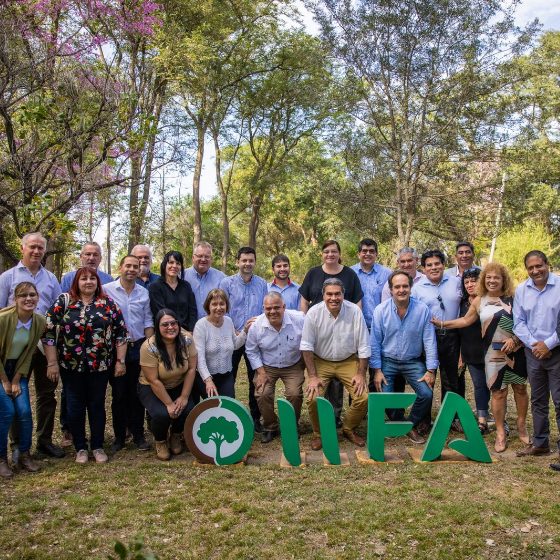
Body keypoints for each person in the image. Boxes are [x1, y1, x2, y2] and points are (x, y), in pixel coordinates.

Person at [438, 263, 529, 452]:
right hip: (492, 354)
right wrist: (442, 323)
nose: (492, 281)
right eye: (488, 278)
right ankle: (500, 432)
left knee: (520, 389)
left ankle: (521, 426)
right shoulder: (479, 300)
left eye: (496, 277)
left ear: (504, 279)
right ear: (484, 280)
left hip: (516, 350)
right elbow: (465, 320)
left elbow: (526, 322)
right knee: (498, 392)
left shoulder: (514, 298)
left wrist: (515, 340)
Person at [42, 268, 128, 464]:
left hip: (100, 366)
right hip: (71, 366)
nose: (88, 282)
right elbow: (47, 333)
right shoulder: (64, 301)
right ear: (77, 282)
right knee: (74, 406)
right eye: (84, 279)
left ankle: (97, 446)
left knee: (97, 405)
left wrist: (120, 362)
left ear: (97, 282)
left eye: (92, 278)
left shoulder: (107, 303)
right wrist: (52, 363)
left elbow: (121, 333)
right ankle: (80, 447)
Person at [0, 232, 63, 458]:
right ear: (23, 248)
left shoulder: (51, 278)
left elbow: (57, 310)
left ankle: (44, 441)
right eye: (32, 247)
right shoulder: (8, 277)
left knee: (47, 394)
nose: (36, 251)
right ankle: (18, 445)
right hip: (16, 346)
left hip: (45, 344)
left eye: (40, 248)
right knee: (15, 397)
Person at [300, 278, 370, 451]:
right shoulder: (313, 312)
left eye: (337, 294)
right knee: (313, 397)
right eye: (329, 294)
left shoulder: (354, 311)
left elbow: (364, 345)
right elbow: (306, 346)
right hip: (321, 360)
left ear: (343, 294)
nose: (333, 298)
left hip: (348, 360)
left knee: (363, 397)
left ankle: (348, 428)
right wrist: (313, 376)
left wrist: (361, 374)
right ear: (323, 295)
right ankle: (320, 434)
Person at [299, 240, 363, 427]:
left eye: (334, 251)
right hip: (321, 337)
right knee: (317, 393)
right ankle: (321, 430)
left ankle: (341, 423)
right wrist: (306, 321)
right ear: (322, 253)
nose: (330, 254)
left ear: (339, 253)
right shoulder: (313, 273)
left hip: (344, 335)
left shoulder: (349, 274)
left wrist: (355, 321)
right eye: (326, 251)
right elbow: (304, 299)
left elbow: (357, 302)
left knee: (341, 389)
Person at [371, 271, 437, 444]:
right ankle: (398, 423)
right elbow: (375, 342)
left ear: (411, 287)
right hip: (388, 361)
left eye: (405, 286)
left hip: (413, 361)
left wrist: (431, 369)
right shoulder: (380, 311)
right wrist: (376, 370)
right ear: (391, 289)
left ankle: (408, 425)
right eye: (397, 287)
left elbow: (429, 341)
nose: (401, 290)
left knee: (426, 394)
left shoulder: (422, 310)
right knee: (385, 395)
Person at [59, 241, 114, 448]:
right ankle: (70, 433)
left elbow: (114, 321)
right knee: (72, 398)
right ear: (81, 256)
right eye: (87, 254)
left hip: (99, 359)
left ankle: (97, 443)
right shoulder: (67, 279)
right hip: (71, 358)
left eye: (96, 254)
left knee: (96, 401)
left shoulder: (107, 281)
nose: (91, 258)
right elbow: (59, 316)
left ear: (100, 257)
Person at [104, 255, 154, 453]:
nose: (132, 269)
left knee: (138, 393)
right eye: (128, 266)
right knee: (119, 394)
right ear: (120, 267)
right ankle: (119, 437)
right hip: (116, 349)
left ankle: (139, 435)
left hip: (139, 347)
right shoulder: (107, 291)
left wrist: (150, 348)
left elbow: (148, 321)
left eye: (136, 266)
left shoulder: (143, 293)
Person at [514, 250, 560, 458]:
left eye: (539, 266)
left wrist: (548, 344)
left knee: (559, 400)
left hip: (557, 351)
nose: (535, 271)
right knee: (538, 400)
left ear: (547, 264)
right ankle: (540, 443)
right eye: (530, 268)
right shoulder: (521, 290)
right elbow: (519, 323)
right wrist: (535, 345)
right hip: (533, 353)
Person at [412, 249, 462, 433]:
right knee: (427, 379)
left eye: (437, 264)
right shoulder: (417, 288)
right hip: (428, 337)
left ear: (443, 264)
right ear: (423, 268)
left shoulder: (456, 283)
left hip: (451, 336)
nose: (434, 268)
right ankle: (424, 420)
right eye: (429, 265)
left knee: (451, 379)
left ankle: (450, 418)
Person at [246, 292, 305, 443]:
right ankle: (270, 426)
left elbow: (308, 342)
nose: (273, 312)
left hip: (293, 364)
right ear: (263, 308)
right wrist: (260, 372)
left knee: (294, 393)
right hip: (267, 366)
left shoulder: (299, 319)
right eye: (268, 308)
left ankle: (291, 425)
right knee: (262, 393)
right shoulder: (256, 325)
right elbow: (251, 351)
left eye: (277, 307)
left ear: (284, 307)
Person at [219, 247, 268, 431]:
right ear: (237, 262)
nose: (247, 264)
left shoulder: (262, 284)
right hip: (232, 337)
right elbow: (221, 309)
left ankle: (256, 418)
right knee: (227, 377)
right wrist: (237, 331)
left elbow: (265, 310)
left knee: (254, 378)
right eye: (244, 260)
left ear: (255, 262)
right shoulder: (227, 283)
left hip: (254, 339)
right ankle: (227, 415)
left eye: (251, 260)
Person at [138, 309, 197, 461]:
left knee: (187, 409)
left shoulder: (187, 339)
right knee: (162, 414)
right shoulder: (149, 347)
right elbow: (153, 380)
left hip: (178, 383)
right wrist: (169, 404)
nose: (170, 327)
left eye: (173, 323)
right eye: (165, 325)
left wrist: (184, 397)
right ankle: (161, 440)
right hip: (152, 387)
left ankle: (176, 435)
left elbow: (191, 369)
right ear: (157, 327)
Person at [0, 282, 44, 477]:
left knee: (24, 411)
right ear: (15, 299)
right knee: (7, 411)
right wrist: (5, 381)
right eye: (23, 295)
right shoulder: (3, 320)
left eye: (32, 295)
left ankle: (23, 454)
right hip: (1, 370)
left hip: (18, 370)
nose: (28, 299)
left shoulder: (39, 322)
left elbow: (29, 354)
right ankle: (1, 458)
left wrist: (16, 378)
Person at [192, 289, 250, 400]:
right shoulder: (201, 325)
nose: (219, 307)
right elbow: (200, 358)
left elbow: (235, 345)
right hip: (205, 376)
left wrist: (245, 331)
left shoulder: (228, 321)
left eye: (222, 304)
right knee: (214, 407)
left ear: (226, 306)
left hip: (226, 374)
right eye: (214, 304)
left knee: (229, 406)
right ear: (208, 306)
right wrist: (208, 380)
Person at [457, 267, 491, 434]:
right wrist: (461, 354)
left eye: (473, 281)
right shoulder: (462, 303)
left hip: (491, 351)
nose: (470, 285)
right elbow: (460, 329)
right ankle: (482, 420)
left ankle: (498, 419)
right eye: (466, 282)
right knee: (479, 385)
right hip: (470, 351)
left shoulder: (490, 300)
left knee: (493, 386)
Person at [148, 251, 197, 333]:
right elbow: (161, 313)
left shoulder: (186, 286)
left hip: (188, 333)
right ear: (164, 265)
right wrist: (180, 332)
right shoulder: (155, 287)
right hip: (166, 332)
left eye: (178, 263)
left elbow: (192, 311)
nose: (174, 266)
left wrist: (191, 330)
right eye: (171, 262)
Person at [350, 238, 391, 330]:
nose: (368, 254)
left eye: (371, 251)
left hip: (381, 326)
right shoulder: (350, 273)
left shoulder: (387, 273)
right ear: (358, 254)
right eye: (364, 251)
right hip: (356, 326)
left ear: (376, 254)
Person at [183, 241, 225, 320]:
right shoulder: (182, 276)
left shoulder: (221, 278)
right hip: (189, 328)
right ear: (193, 258)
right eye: (200, 256)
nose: (203, 259)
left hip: (214, 327)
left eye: (207, 256)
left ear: (211, 259)